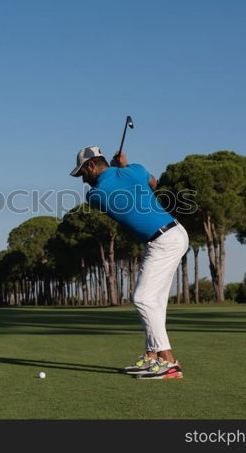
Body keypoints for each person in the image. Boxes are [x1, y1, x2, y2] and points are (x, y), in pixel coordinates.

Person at [70, 146, 189, 379]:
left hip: (165, 240)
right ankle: (152, 357)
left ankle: (169, 362)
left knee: (143, 298)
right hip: (171, 235)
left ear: (92, 165)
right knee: (155, 301)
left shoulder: (95, 195)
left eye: (83, 173)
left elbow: (108, 187)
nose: (84, 180)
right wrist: (124, 167)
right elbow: (152, 183)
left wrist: (118, 170)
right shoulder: (134, 170)